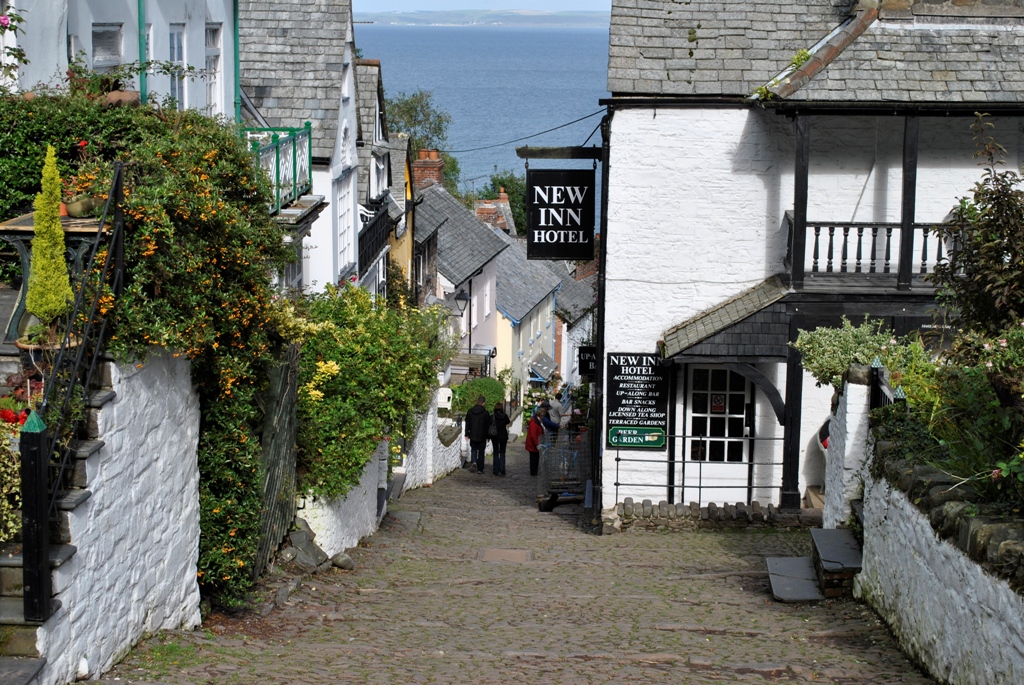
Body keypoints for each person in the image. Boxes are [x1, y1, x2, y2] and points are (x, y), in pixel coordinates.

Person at [464, 395, 491, 474]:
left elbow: (467, 423)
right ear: (483, 403)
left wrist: (466, 433)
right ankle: (480, 469)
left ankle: (474, 461)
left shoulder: (470, 411)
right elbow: (488, 425)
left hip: (473, 434)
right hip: (482, 435)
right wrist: (488, 436)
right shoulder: (486, 413)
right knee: (481, 452)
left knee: (474, 449)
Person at [524, 406, 548, 476]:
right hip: (533, 444)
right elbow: (533, 435)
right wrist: (537, 444)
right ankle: (533, 472)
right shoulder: (534, 423)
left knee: (535, 458)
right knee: (533, 459)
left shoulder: (537, 421)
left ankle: (534, 471)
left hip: (535, 443)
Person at [491, 402, 510, 476]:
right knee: (502, 452)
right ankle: (502, 469)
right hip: (503, 436)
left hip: (495, 435)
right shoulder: (504, 416)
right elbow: (508, 422)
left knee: (496, 452)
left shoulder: (493, 416)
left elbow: (489, 423)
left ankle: (496, 470)